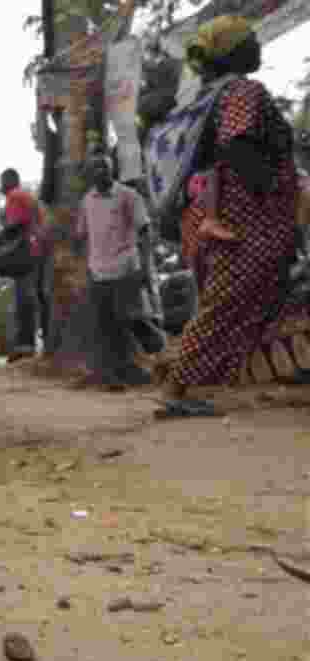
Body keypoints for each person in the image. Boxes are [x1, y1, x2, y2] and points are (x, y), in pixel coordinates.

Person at [158, 16, 299, 418]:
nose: (257, 44)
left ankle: (212, 383)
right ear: (233, 51)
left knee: (244, 299)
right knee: (225, 303)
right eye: (249, 39)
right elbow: (236, 143)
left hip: (221, 215)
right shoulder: (242, 91)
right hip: (244, 218)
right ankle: (176, 389)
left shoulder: (211, 94)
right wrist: (270, 192)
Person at [75, 153, 165, 390]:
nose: (100, 172)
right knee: (107, 328)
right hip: (99, 272)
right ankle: (117, 376)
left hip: (126, 268)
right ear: (89, 174)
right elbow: (84, 236)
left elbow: (145, 232)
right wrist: (88, 267)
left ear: (112, 170)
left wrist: (145, 267)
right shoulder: (86, 201)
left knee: (134, 319)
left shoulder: (128, 195)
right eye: (95, 169)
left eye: (104, 168)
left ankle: (161, 353)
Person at [0, 168, 47, 362]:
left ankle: (25, 345)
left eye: (2, 182)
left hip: (26, 252)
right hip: (37, 249)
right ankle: (36, 341)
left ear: (9, 181)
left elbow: (16, 225)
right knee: (34, 296)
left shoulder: (14, 196)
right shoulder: (27, 196)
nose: (0, 187)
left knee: (24, 298)